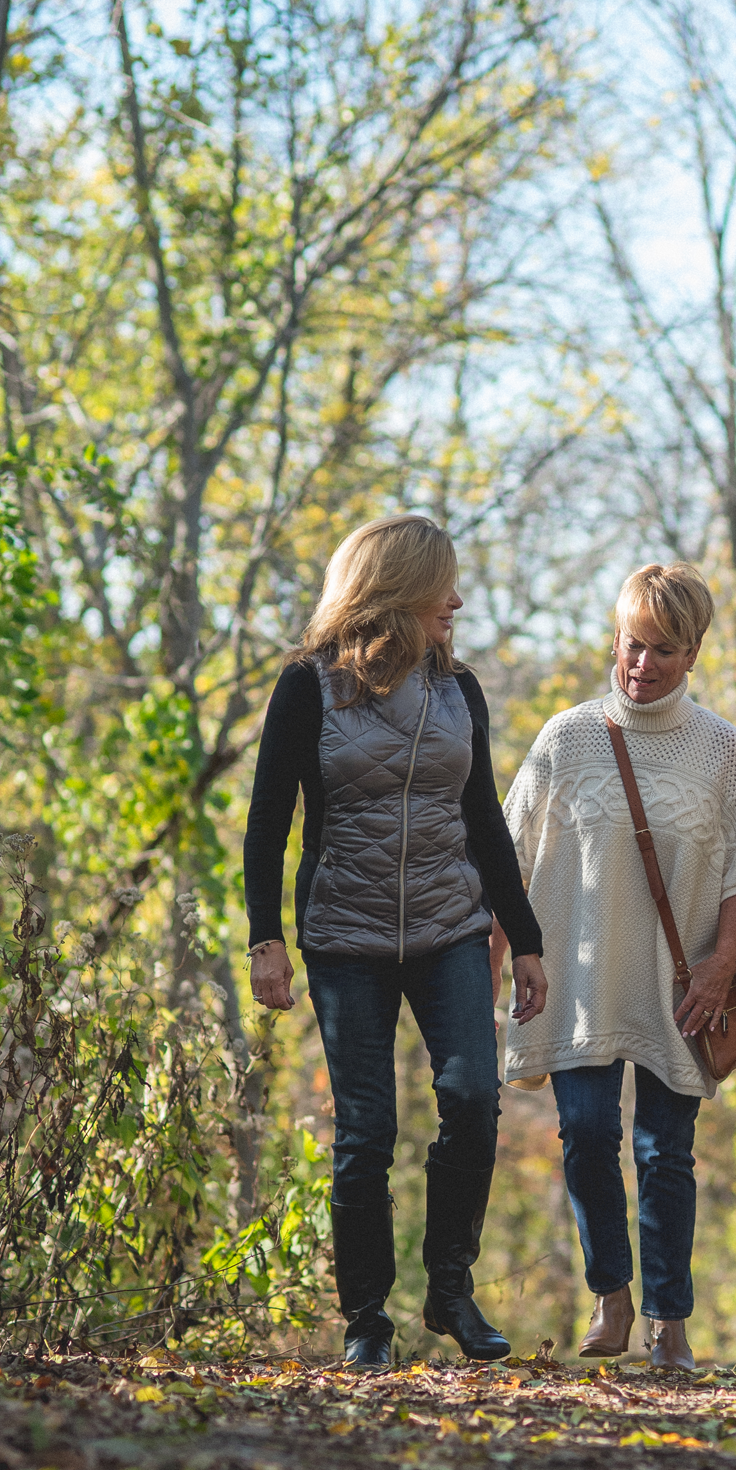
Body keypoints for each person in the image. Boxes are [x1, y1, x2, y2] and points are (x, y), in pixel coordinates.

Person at [243, 515, 546, 1369]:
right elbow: (270, 821)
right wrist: (266, 937)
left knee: (475, 1102)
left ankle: (450, 1290)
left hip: (450, 927)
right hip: (346, 934)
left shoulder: (460, 689)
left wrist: (523, 939)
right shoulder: (308, 687)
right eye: (441, 586)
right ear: (395, 593)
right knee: (366, 1132)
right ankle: (366, 1320)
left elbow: (483, 819)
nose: (456, 600)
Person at [497, 562, 736, 1371]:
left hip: (680, 987)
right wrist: (500, 963)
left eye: (662, 651)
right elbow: (508, 855)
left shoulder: (722, 750)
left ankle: (669, 1321)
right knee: (583, 1133)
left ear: (692, 654)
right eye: (630, 645)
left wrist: (724, 963)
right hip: (578, 979)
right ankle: (610, 1295)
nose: (641, 665)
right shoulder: (567, 736)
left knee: (663, 1150)